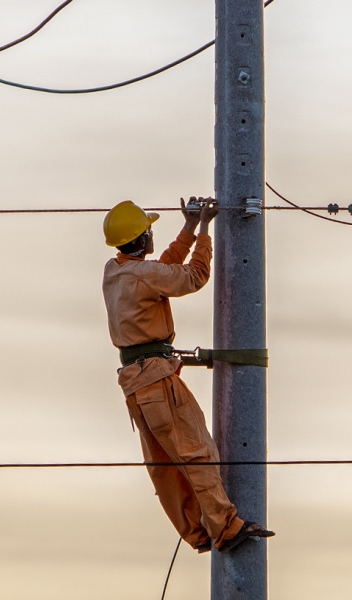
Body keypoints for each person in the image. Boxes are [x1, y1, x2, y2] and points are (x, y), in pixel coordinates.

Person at [101, 197, 274, 553]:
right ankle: (225, 527)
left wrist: (189, 228)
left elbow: (160, 270)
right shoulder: (143, 275)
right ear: (143, 237)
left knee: (164, 467)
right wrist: (206, 229)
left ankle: (198, 531)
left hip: (135, 383)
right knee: (196, 453)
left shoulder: (115, 272)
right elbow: (193, 276)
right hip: (157, 380)